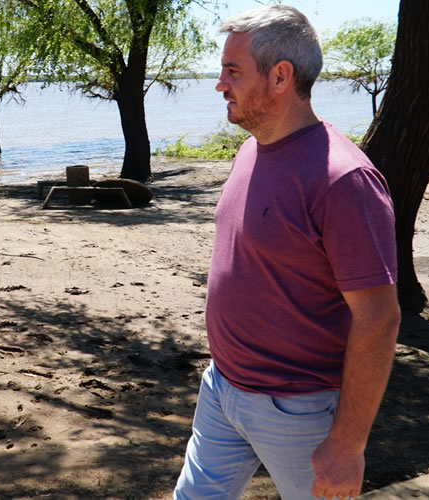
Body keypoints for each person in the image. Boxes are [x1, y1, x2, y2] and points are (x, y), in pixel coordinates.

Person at [174, 5, 401, 500]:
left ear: (280, 76)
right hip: (221, 387)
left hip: (295, 408)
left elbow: (379, 319)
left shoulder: (345, 181)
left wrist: (347, 445)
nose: (220, 84)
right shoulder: (250, 150)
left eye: (233, 71)